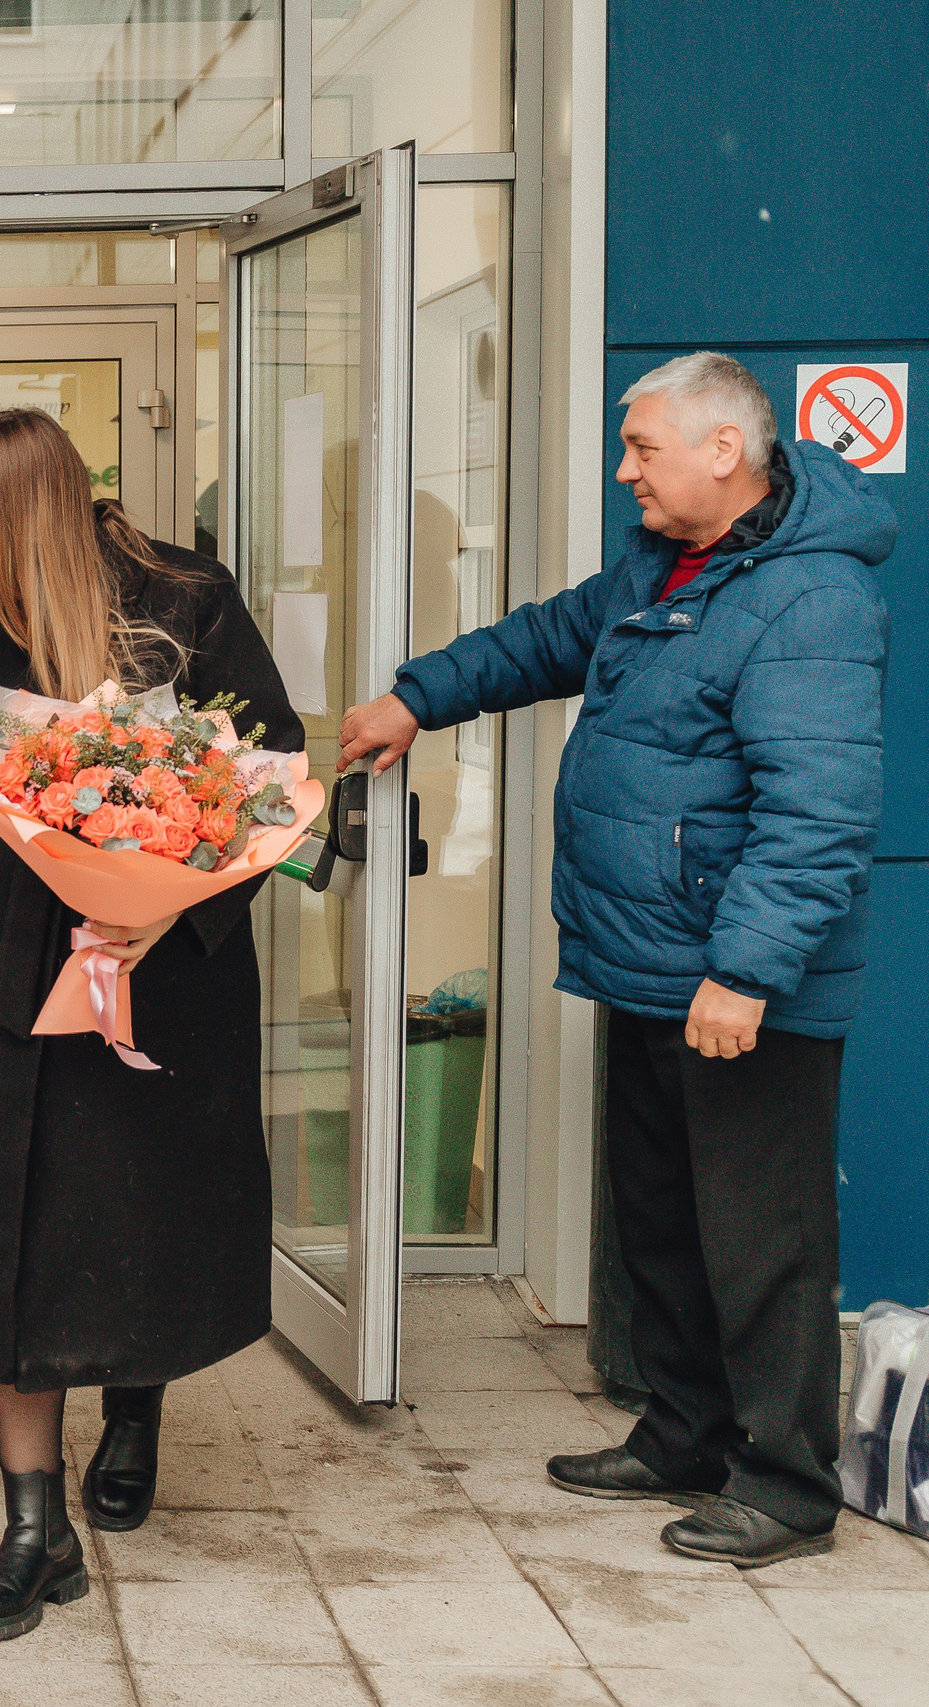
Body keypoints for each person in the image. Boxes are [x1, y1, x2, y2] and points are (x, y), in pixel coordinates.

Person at [341, 351, 891, 1568]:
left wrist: (745, 972)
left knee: (762, 1239)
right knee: (661, 1220)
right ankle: (684, 1432)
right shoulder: (665, 566)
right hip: (647, 958)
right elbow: (545, 640)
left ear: (722, 452)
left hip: (737, 980)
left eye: (643, 447)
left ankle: (785, 1485)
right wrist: (413, 701)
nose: (625, 468)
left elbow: (821, 811)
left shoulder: (811, 598)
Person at [0, 408, 300, 1642]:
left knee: (131, 1218)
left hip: (149, 980)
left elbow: (271, 770)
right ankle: (36, 1529)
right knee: (8, 1245)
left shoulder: (180, 604)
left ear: (32, 508)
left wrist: (172, 904)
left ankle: (131, 1406)